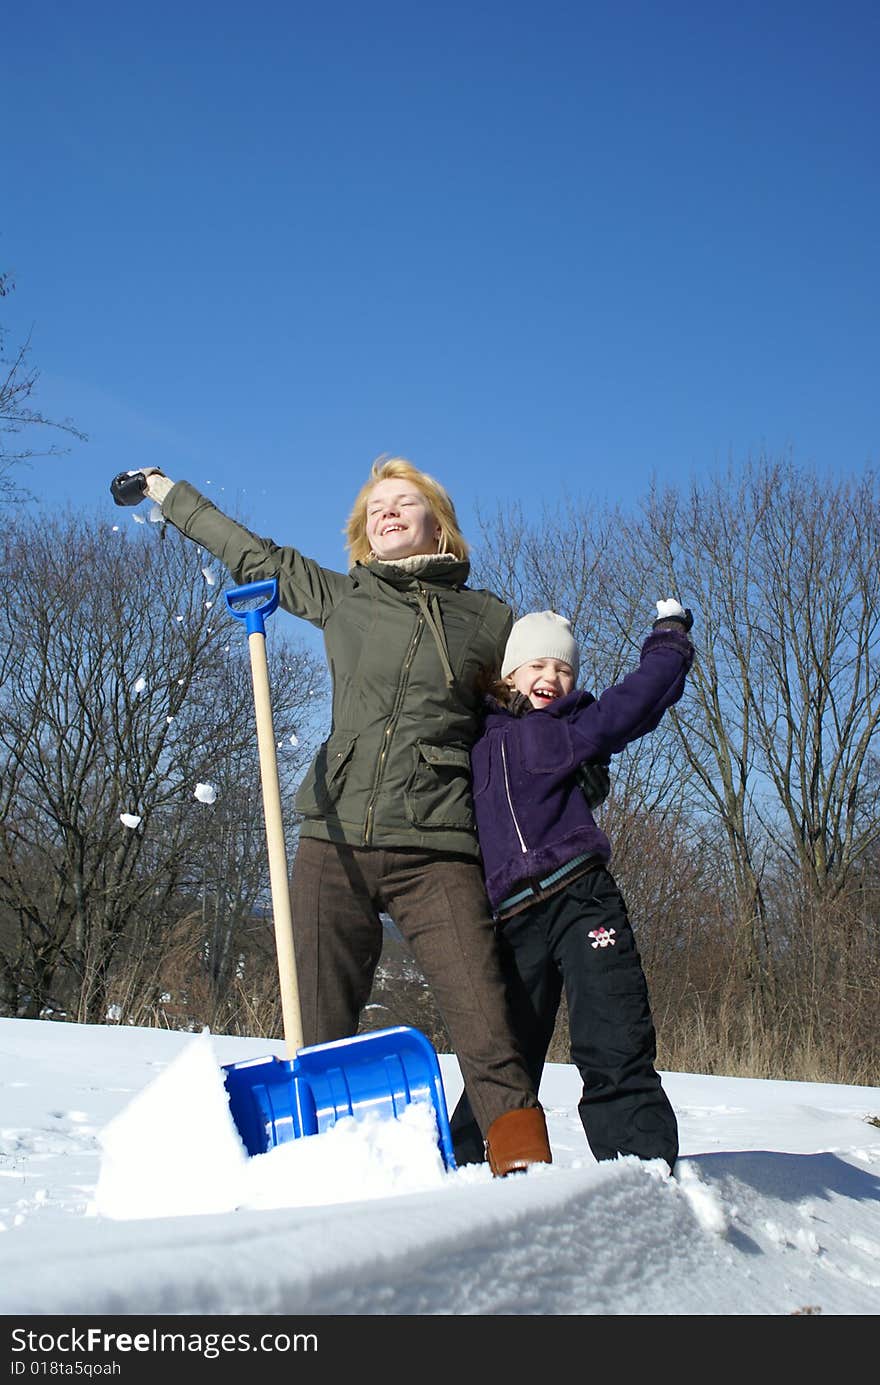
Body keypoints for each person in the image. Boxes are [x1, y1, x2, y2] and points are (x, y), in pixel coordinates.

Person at [136, 457, 551, 1176]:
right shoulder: (344, 598)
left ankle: (522, 1168)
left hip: (438, 846)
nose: (386, 511)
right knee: (318, 1020)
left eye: (404, 501)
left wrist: (577, 755)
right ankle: (316, 1168)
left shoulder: (491, 619)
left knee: (486, 1016)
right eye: (375, 506)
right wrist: (170, 496)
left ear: (438, 523)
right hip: (332, 839)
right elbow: (253, 553)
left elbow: (541, 703)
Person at [448, 603, 694, 1172]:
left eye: (563, 670)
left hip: (582, 898)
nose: (551, 679)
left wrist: (669, 639)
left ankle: (641, 1166)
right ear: (508, 674)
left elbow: (636, 702)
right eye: (536, 665)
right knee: (501, 1050)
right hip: (511, 921)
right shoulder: (473, 739)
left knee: (611, 1030)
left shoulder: (570, 731)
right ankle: (462, 1166)